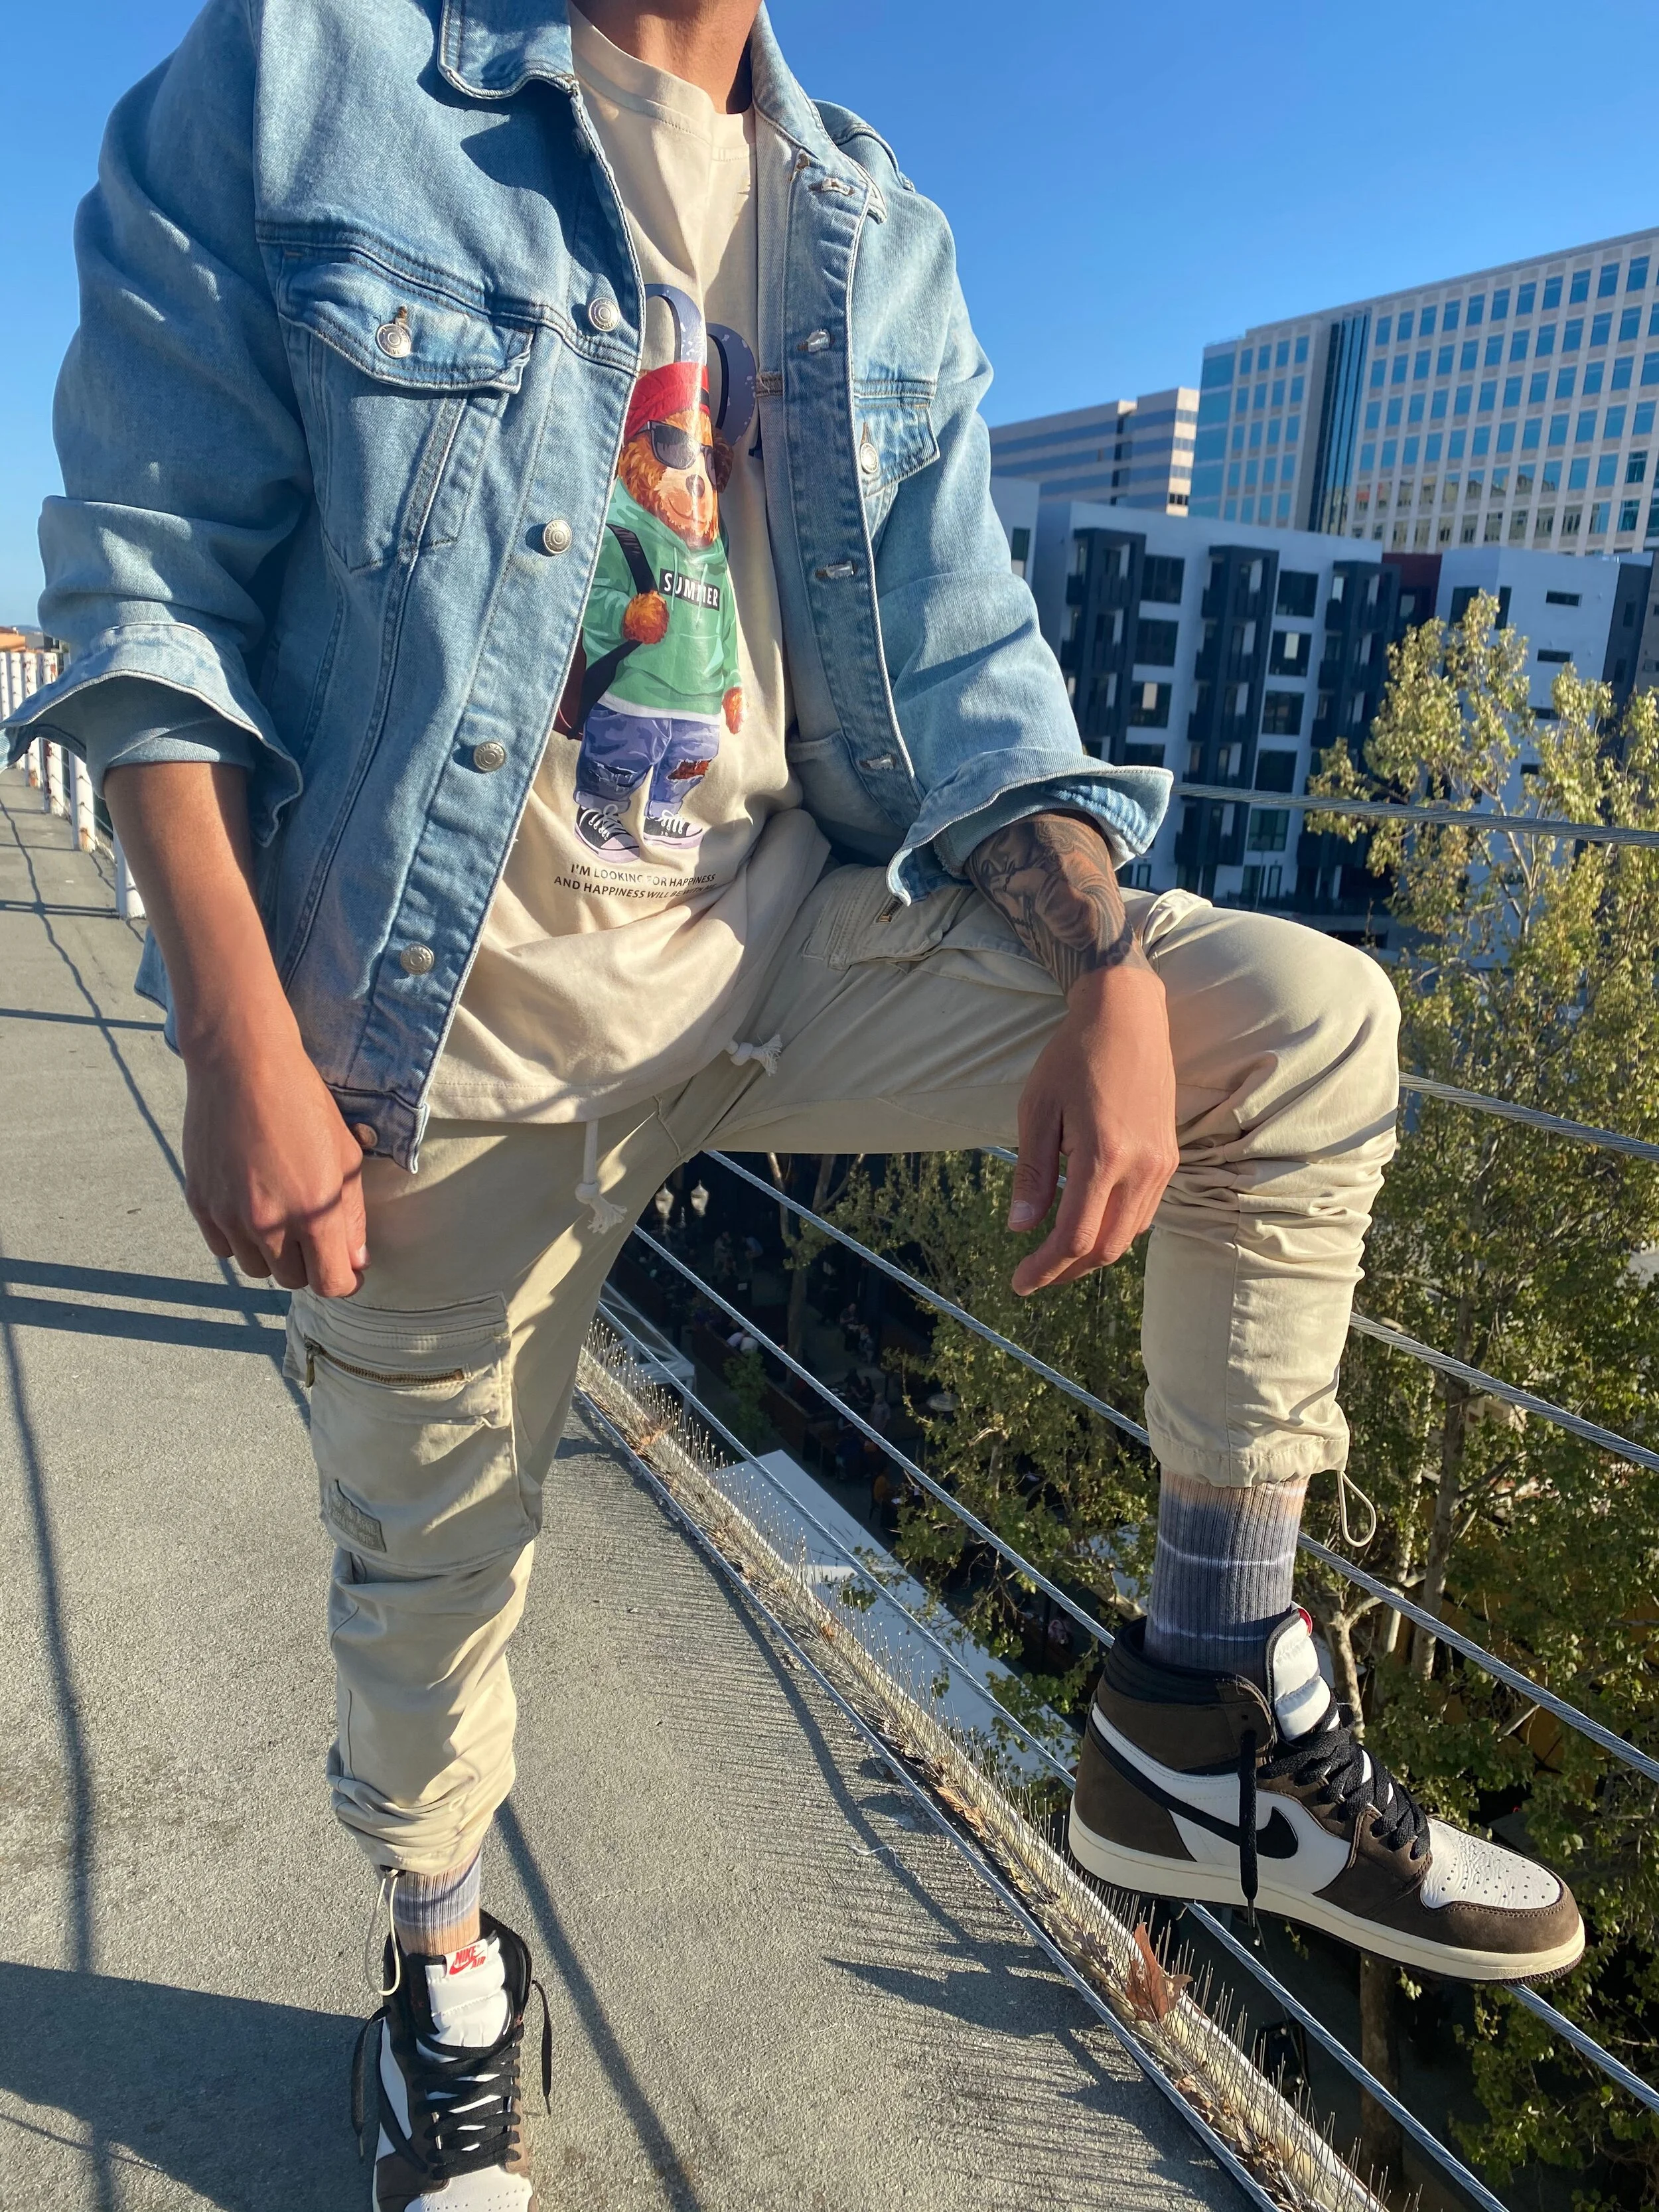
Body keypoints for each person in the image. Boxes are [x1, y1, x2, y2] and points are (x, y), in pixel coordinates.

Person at [10, 0, 1582, 2201]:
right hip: (440, 1025)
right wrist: (230, 1029)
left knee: (1299, 1018)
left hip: (789, 952)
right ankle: (446, 1974)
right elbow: (149, 577)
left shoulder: (868, 220)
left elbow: (966, 668)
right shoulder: (313, 75)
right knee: (429, 1576)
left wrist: (1107, 968)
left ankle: (1204, 1698)